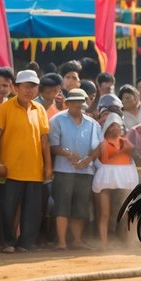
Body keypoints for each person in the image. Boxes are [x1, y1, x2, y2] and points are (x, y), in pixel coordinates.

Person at [0, 69, 51, 253]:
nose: (29, 90)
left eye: (33, 87)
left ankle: (25, 243)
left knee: (32, 210)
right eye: (25, 87)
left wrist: (48, 165)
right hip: (10, 168)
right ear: (16, 88)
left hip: (34, 169)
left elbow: (44, 140)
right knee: (7, 208)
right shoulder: (5, 108)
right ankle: (7, 242)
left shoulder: (40, 110)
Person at [49, 87, 100, 250]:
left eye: (81, 103)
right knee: (62, 206)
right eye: (75, 102)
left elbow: (98, 147)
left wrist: (89, 159)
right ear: (68, 103)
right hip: (63, 170)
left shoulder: (92, 124)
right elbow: (53, 146)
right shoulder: (57, 120)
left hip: (85, 171)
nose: (79, 105)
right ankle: (62, 242)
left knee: (80, 206)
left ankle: (77, 240)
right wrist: (67, 153)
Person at [93, 114, 141, 251]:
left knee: (128, 212)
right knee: (104, 214)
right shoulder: (103, 144)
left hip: (125, 178)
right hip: (106, 179)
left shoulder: (126, 142)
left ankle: (130, 243)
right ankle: (104, 244)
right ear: (107, 128)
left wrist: (126, 148)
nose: (115, 128)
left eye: (118, 126)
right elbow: (100, 157)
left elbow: (134, 152)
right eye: (112, 126)